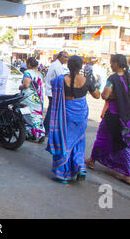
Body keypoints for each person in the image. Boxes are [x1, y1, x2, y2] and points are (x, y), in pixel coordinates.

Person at [46, 55, 100, 184]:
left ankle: (63, 174)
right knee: (78, 140)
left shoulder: (61, 80)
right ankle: (80, 166)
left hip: (66, 114)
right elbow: (97, 95)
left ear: (68, 66)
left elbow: (53, 90)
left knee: (65, 141)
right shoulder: (87, 80)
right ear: (81, 67)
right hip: (81, 114)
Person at [85, 54, 130, 186]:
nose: (110, 65)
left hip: (115, 116)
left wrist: (112, 95)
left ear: (116, 63)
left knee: (103, 138)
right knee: (126, 142)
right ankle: (128, 175)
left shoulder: (113, 78)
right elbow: (128, 95)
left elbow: (105, 95)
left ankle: (92, 161)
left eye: (111, 63)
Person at [19, 57, 46, 143]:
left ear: (29, 64)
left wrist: (21, 87)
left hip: (29, 97)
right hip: (38, 97)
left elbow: (26, 85)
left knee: (27, 115)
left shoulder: (27, 72)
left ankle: (31, 134)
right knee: (37, 116)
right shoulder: (40, 74)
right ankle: (41, 133)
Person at [43, 51, 69, 135]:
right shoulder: (57, 65)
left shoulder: (58, 65)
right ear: (60, 57)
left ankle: (48, 129)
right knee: (51, 111)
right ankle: (46, 129)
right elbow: (61, 79)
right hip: (53, 91)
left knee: (52, 111)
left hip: (53, 91)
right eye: (65, 57)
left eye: (67, 57)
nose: (66, 59)